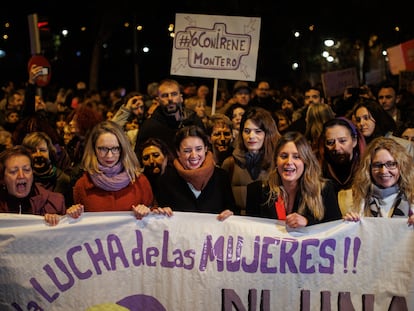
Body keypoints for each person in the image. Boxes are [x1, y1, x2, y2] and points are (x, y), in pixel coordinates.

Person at [67, 121, 172, 220]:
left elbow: (153, 220)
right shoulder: (82, 186)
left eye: (115, 148)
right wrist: (73, 215)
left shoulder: (140, 181)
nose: (109, 155)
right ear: (93, 149)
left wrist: (151, 211)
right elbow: (79, 230)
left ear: (123, 148)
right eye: (103, 149)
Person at [246, 131, 342, 227]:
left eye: (296, 157)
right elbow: (249, 231)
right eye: (284, 156)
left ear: (306, 161)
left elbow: (334, 230)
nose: (289, 161)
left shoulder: (324, 190)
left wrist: (307, 223)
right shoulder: (257, 191)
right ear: (276, 160)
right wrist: (231, 221)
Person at [154, 125, 237, 220]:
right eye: (187, 151)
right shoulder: (166, 180)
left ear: (206, 148)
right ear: (178, 152)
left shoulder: (221, 177)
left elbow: (232, 209)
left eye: (198, 149)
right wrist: (161, 212)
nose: (194, 155)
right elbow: (158, 214)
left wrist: (230, 214)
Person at [221, 107, 280, 215]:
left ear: (268, 134)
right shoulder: (229, 164)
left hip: (269, 229)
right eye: (247, 131)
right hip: (238, 229)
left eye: (258, 131)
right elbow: (222, 201)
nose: (251, 136)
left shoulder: (278, 164)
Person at [343, 137, 414, 225]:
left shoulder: (412, 197)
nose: (383, 171)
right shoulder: (351, 198)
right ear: (368, 168)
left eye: (391, 164)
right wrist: (346, 225)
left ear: (402, 166)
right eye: (377, 165)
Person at [0, 145, 68, 226]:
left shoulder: (55, 203)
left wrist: (61, 221)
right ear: (2, 179)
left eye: (26, 170)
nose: (21, 176)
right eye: (13, 171)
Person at [135, 79, 205, 153]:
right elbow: (138, 155)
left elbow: (207, 148)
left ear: (181, 98)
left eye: (174, 94)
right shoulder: (149, 127)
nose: (170, 99)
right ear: (158, 100)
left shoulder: (193, 119)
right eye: (165, 95)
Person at [317, 117, 366, 215]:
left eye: (342, 141)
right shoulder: (320, 169)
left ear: (354, 141)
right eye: (330, 143)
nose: (337, 147)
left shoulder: (366, 167)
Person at [22, 131, 73, 205]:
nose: (38, 155)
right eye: (33, 151)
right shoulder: (22, 180)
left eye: (43, 150)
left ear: (50, 153)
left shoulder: (63, 180)